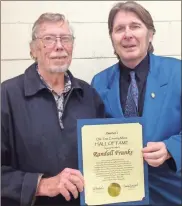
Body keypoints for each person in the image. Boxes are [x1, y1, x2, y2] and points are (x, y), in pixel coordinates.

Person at [1, 13, 105, 206]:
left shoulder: (89, 95)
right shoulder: (6, 95)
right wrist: (41, 185)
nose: (59, 46)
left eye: (65, 39)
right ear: (33, 50)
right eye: (48, 39)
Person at [91, 1, 181, 205]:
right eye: (119, 29)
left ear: (150, 34)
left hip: (171, 193)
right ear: (112, 38)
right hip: (119, 195)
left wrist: (170, 148)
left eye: (135, 26)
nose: (127, 34)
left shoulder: (178, 73)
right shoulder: (99, 82)